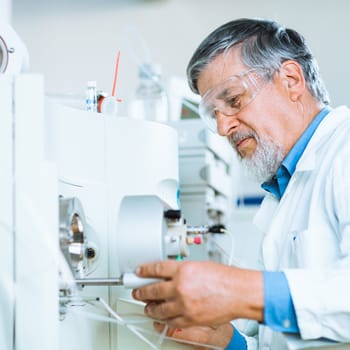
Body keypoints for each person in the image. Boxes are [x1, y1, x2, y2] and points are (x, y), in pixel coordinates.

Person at [132, 18, 350, 349]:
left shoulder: (344, 150)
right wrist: (229, 342)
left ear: (291, 80)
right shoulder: (282, 195)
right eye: (214, 113)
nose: (223, 128)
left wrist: (239, 291)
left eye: (233, 101)